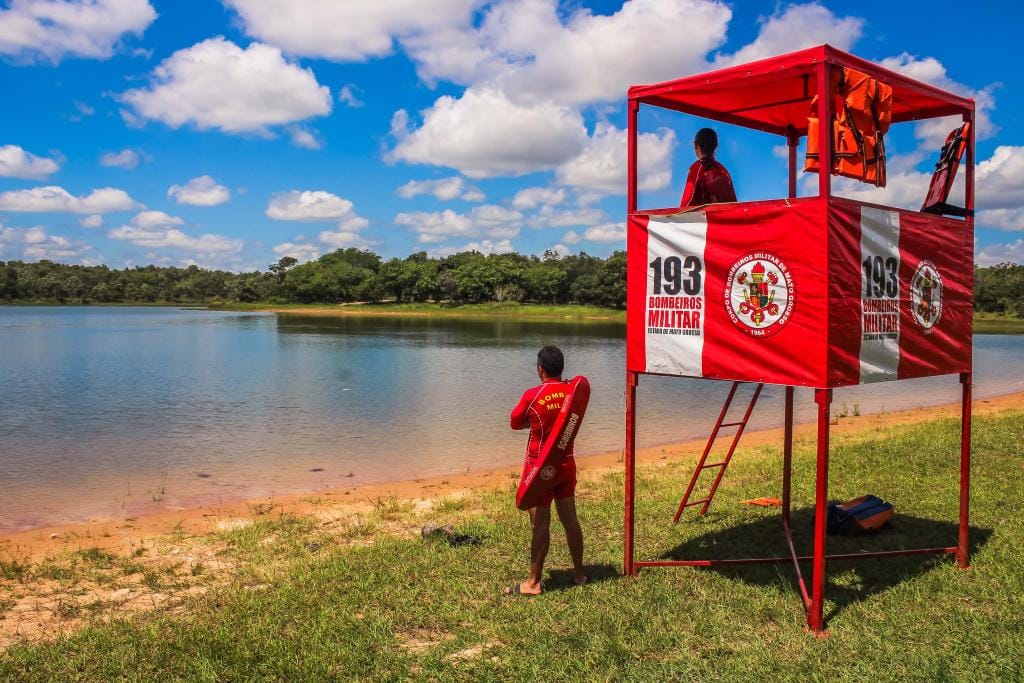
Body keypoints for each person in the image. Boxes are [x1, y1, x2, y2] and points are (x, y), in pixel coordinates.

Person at [504, 346, 586, 596]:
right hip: (565, 463)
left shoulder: (533, 395)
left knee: (540, 525)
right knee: (570, 520)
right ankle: (579, 574)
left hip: (539, 468)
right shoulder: (571, 392)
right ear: (561, 368)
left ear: (540, 369)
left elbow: (515, 422)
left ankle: (533, 582)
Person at [679, 127, 737, 207]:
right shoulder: (723, 171)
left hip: (704, 219)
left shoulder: (697, 168)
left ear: (695, 145)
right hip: (726, 218)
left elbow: (687, 203)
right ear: (716, 146)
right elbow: (733, 203)